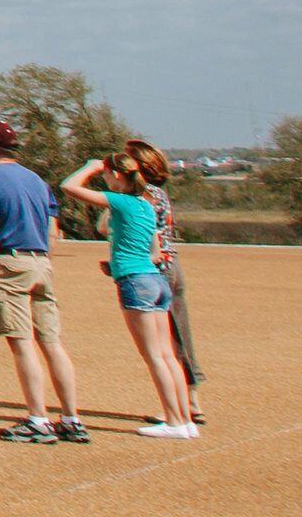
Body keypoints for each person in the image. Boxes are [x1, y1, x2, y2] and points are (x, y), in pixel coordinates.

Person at [0, 117, 88, 444]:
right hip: (40, 261)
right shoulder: (36, 180)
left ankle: (37, 418)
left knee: (21, 342)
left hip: (10, 261)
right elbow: (52, 228)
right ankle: (72, 418)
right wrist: (45, 259)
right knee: (51, 341)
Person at [61, 155, 200, 437]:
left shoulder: (122, 201)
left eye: (108, 176)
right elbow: (154, 250)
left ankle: (174, 422)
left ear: (116, 175)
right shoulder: (147, 205)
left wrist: (89, 169)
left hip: (135, 281)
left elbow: (69, 187)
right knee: (167, 355)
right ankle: (183, 418)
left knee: (154, 356)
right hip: (154, 278)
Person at [123, 138, 203, 422]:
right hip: (172, 265)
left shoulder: (144, 195)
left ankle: (180, 407)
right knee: (179, 334)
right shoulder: (158, 193)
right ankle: (191, 400)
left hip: (156, 268)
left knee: (163, 342)